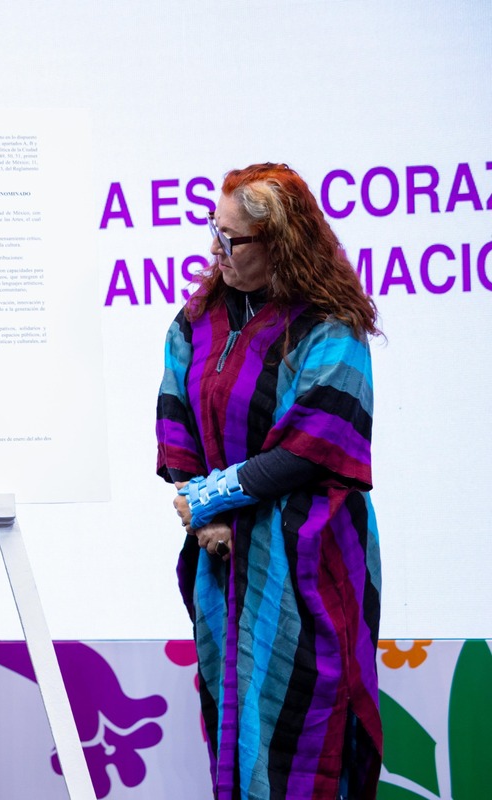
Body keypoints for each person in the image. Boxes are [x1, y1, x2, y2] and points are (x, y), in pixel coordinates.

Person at [156, 163, 382, 799]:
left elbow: (315, 446)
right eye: (214, 230)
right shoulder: (195, 320)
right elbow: (174, 421)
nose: (215, 249)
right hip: (222, 557)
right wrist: (210, 513)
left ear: (279, 242)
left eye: (233, 239)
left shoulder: (330, 325)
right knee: (231, 718)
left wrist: (209, 498)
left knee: (310, 720)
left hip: (310, 558)